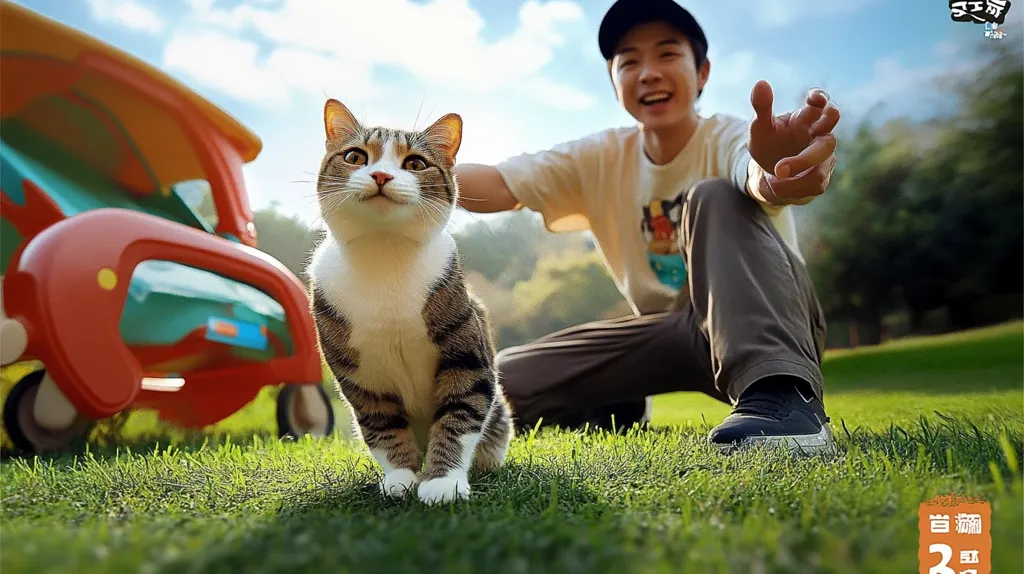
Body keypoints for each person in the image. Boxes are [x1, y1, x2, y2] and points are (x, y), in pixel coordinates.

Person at [452, 0, 840, 455]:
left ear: (703, 72)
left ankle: (783, 399)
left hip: (765, 323)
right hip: (667, 334)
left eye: (668, 54)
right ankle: (611, 404)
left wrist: (777, 173)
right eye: (629, 62)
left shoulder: (731, 135)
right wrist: (404, 169)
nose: (648, 72)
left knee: (712, 195)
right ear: (614, 82)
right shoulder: (600, 156)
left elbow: (755, 172)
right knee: (500, 379)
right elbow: (500, 185)